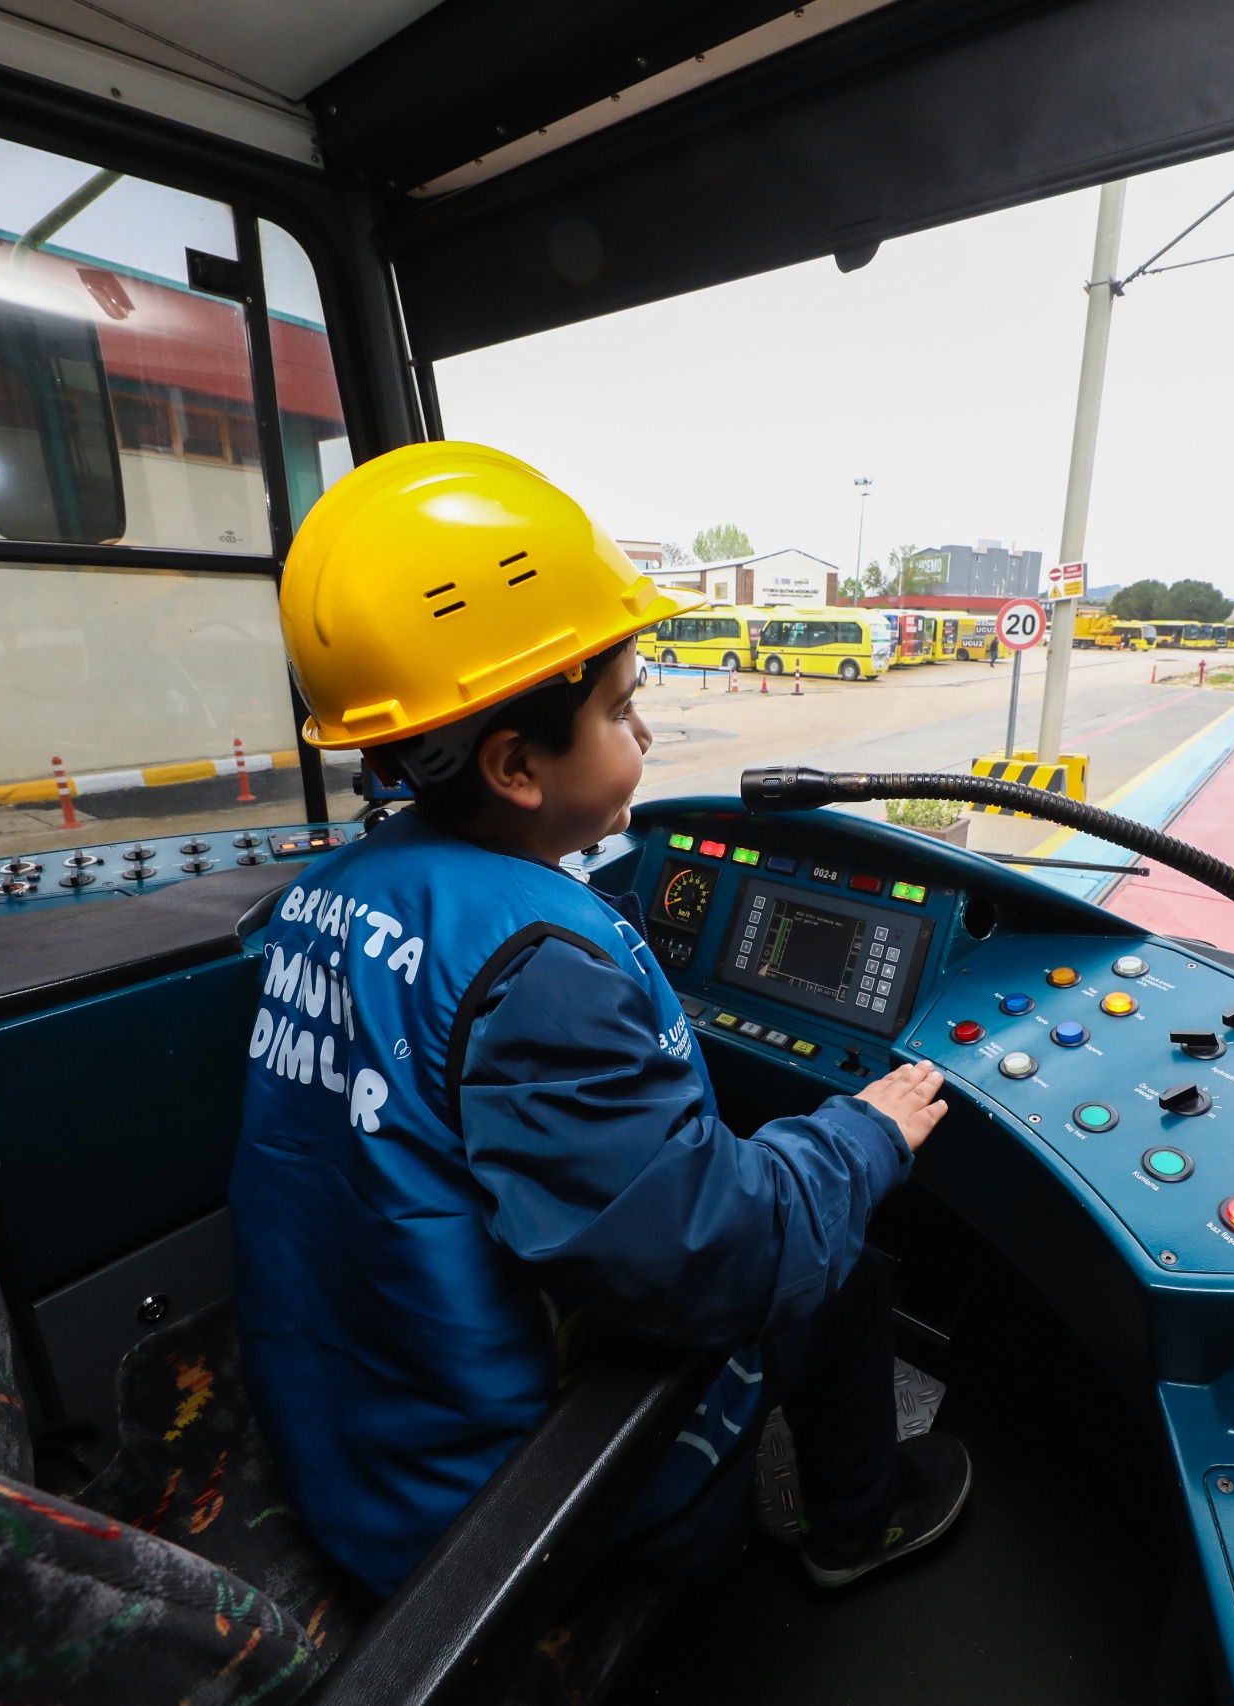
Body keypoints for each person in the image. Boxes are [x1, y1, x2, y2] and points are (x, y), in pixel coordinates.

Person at [233, 442, 971, 1602]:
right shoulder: (542, 971)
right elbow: (712, 1256)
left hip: (349, 1425)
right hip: (490, 1501)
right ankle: (854, 1527)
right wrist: (860, 1135)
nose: (646, 734)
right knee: (844, 1273)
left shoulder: (332, 891)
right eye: (624, 707)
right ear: (515, 765)